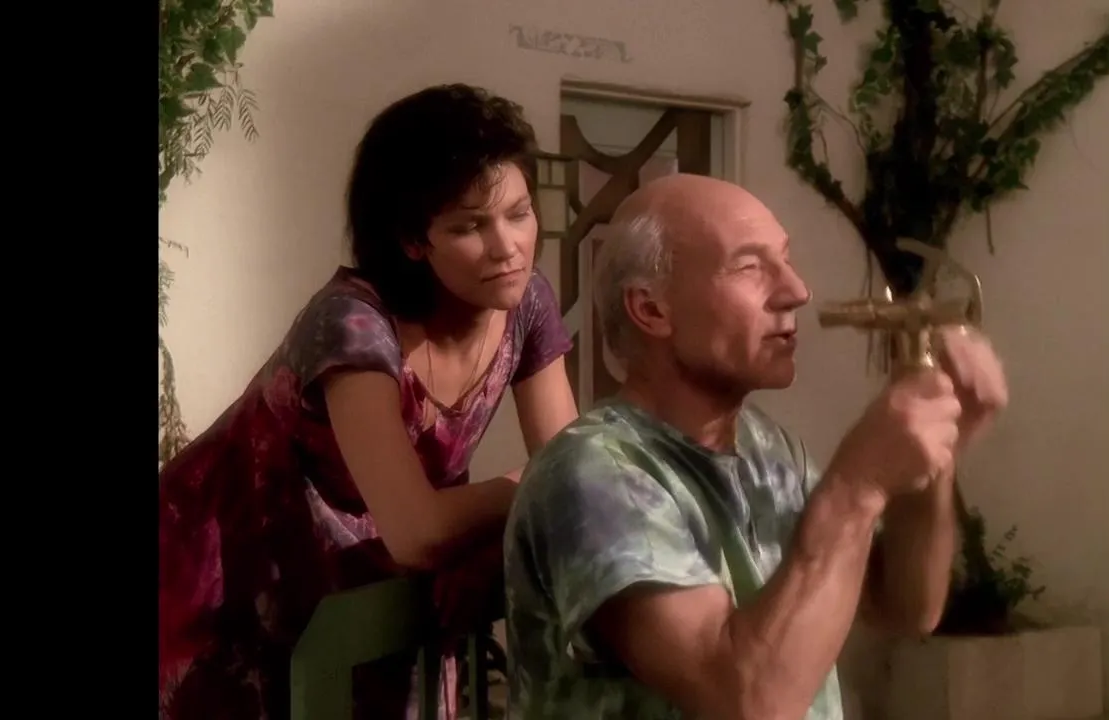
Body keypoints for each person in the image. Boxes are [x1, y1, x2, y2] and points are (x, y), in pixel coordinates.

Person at [503, 174, 1009, 719]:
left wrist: (934, 458)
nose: (796, 290)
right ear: (650, 310)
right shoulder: (595, 473)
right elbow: (745, 700)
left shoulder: (767, 447)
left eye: (785, 260)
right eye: (749, 267)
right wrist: (857, 486)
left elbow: (905, 607)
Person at [158, 84, 578, 720]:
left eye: (519, 214)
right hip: (221, 584)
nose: (507, 246)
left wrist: (495, 548)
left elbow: (575, 487)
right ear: (413, 240)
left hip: (361, 590)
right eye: (469, 226)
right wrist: (534, 480)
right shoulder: (352, 325)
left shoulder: (527, 301)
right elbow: (422, 531)